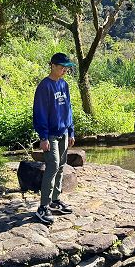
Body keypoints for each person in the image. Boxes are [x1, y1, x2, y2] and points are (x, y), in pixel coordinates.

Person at [33, 52, 76, 224]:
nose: (64, 70)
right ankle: (43, 207)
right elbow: (40, 113)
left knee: (61, 166)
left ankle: (55, 200)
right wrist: (43, 137)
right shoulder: (44, 86)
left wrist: (71, 131)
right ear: (53, 66)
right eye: (62, 67)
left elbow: (68, 109)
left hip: (63, 133)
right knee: (53, 166)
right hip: (50, 134)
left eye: (66, 68)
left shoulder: (64, 85)